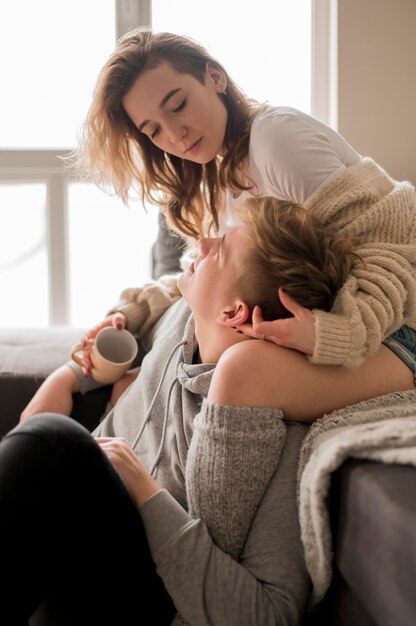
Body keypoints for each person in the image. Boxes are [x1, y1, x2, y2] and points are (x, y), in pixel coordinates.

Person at [7, 198, 412, 626]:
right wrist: (66, 379)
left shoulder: (276, 435)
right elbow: (125, 331)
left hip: (143, 593)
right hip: (58, 549)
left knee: (55, 443)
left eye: (218, 249)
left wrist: (146, 492)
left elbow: (268, 613)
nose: (201, 242)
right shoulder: (180, 319)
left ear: (234, 312)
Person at [55, 25, 415, 399]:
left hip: (400, 331)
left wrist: (331, 334)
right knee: (147, 371)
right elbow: (200, 286)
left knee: (233, 365)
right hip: (352, 331)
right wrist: (129, 316)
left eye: (178, 105)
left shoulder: (277, 141)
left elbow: (390, 249)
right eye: (154, 131)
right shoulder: (214, 177)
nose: (175, 135)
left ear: (215, 77)